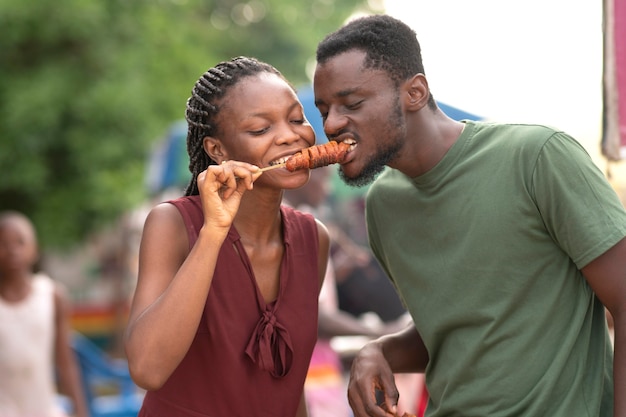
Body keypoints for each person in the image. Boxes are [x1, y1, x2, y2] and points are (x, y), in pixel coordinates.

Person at [312, 14, 626, 417]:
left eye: (351, 104)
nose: (332, 124)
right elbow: (455, 331)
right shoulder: (384, 205)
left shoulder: (537, 156)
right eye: (324, 110)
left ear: (415, 92)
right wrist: (380, 350)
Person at [124, 56, 330, 417]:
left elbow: (289, 386)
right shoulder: (172, 224)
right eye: (260, 129)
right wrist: (213, 233)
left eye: (297, 119)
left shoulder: (314, 240)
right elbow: (147, 368)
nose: (290, 136)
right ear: (217, 150)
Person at [284, 166, 413, 417]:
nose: (329, 188)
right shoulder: (297, 229)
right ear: (303, 176)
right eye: (326, 179)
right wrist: (379, 334)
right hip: (308, 377)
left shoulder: (306, 223)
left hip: (320, 368)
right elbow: (312, 316)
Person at [0, 211, 90, 417]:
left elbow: (65, 361)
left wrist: (80, 410)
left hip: (42, 410)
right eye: (3, 243)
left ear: (35, 250)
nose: (12, 250)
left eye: (20, 242)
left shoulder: (51, 295)